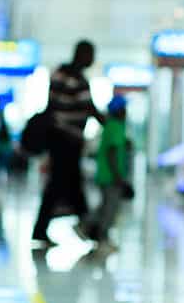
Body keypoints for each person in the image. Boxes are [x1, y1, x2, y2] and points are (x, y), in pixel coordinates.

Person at [32, 40, 102, 244]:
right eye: (90, 54)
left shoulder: (61, 75)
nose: (92, 59)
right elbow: (90, 108)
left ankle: (83, 225)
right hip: (65, 140)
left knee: (65, 183)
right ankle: (87, 227)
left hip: (63, 139)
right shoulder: (74, 79)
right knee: (64, 183)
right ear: (81, 54)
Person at [79, 95, 130, 247]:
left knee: (105, 205)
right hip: (110, 175)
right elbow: (112, 152)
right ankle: (101, 235)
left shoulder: (111, 125)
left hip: (105, 174)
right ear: (119, 111)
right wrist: (117, 175)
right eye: (124, 108)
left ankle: (90, 228)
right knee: (110, 208)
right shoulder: (116, 126)